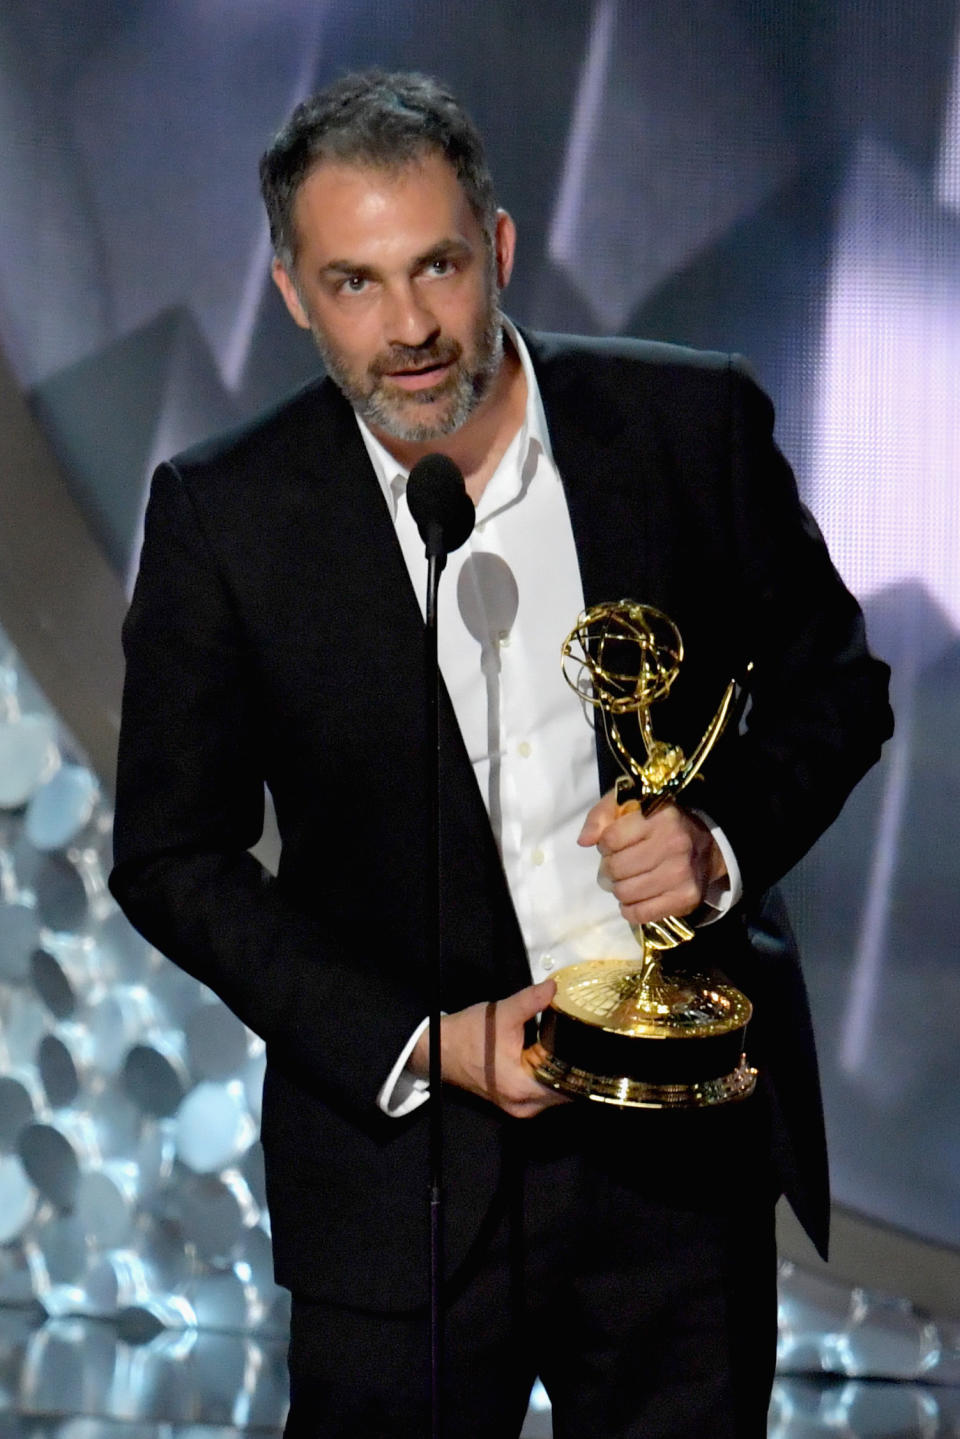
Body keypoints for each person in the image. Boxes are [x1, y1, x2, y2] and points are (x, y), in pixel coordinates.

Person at [110, 70, 893, 1439]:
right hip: (398, 1182)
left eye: (438, 269)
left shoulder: (686, 430)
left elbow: (839, 685)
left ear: (501, 250)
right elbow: (174, 857)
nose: (408, 328)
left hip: (677, 1166)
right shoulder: (225, 517)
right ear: (293, 292)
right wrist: (426, 1042)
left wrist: (716, 843)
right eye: (354, 283)